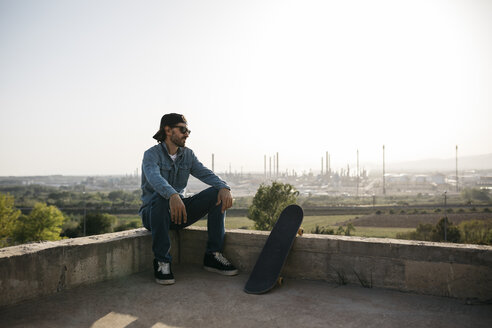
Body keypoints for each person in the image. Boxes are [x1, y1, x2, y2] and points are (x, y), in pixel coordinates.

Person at [139, 113, 238, 285]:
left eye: (188, 131)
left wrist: (224, 187)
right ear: (168, 130)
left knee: (217, 193)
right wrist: (172, 194)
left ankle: (212, 255)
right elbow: (154, 178)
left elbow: (205, 173)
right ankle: (162, 261)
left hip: (178, 213)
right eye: (183, 129)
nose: (187, 134)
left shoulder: (188, 155)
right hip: (153, 214)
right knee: (161, 197)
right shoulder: (151, 155)